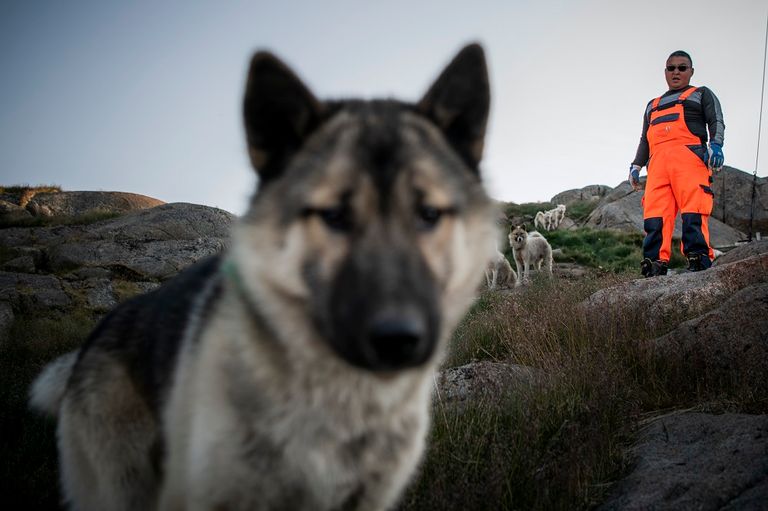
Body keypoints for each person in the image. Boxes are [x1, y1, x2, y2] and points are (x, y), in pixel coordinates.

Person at [629, 50, 725, 277]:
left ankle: (698, 258)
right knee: (655, 215)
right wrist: (636, 165)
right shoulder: (652, 105)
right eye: (671, 68)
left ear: (691, 71)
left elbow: (716, 120)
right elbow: (645, 138)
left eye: (682, 68)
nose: (676, 72)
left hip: (690, 160)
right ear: (665, 72)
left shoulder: (701, 94)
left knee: (694, 210)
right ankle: (653, 263)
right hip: (657, 166)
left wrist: (717, 145)